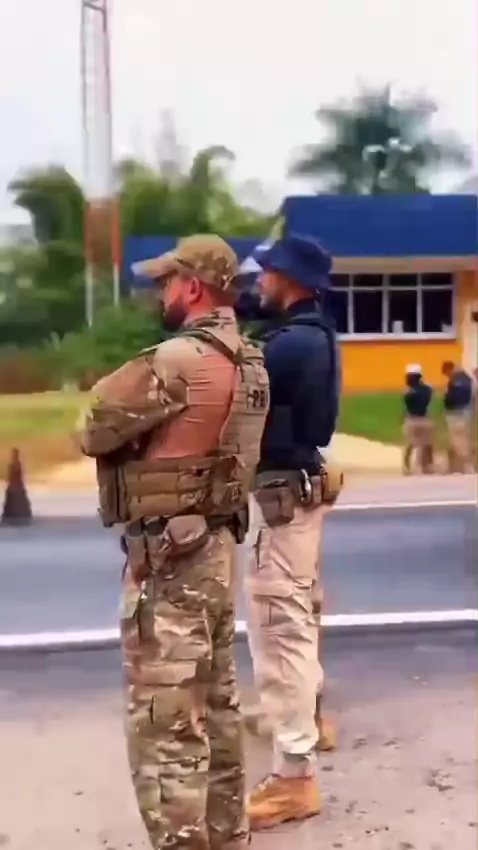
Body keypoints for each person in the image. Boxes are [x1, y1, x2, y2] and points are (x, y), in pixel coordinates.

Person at [78, 234, 270, 850]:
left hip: (168, 560)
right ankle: (226, 835)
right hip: (215, 548)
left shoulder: (177, 359)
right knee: (217, 708)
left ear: (192, 286)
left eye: (167, 282)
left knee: (165, 725)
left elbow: (92, 427)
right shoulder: (252, 362)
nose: (161, 292)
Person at [240, 233, 343, 831]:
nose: (260, 280)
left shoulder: (289, 345)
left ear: (292, 280)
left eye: (268, 272)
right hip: (296, 492)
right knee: (294, 623)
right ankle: (304, 728)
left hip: (283, 500)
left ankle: (294, 778)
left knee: (282, 634)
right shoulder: (311, 335)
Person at [441, 360, 474, 473]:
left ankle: (464, 465)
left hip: (456, 413)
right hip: (465, 412)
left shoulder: (456, 380)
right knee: (463, 439)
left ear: (450, 370)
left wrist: (447, 403)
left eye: (447, 373)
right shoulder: (467, 378)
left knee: (458, 440)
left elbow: (454, 397)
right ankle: (463, 466)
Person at [402, 364, 434, 475]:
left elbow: (408, 405)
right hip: (424, 419)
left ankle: (408, 467)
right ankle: (426, 466)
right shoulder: (428, 389)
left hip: (412, 419)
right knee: (426, 444)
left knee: (410, 445)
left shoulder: (408, 391)